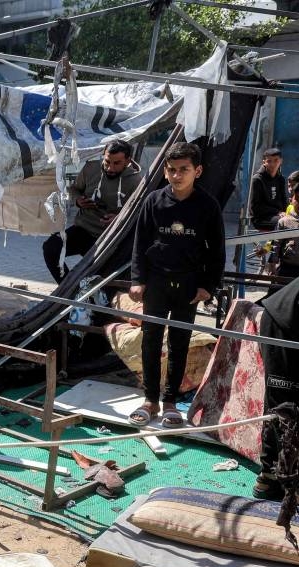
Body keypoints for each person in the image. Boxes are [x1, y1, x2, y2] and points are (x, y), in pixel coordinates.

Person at [128, 142, 225, 427]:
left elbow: (216, 251)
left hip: (189, 285)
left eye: (184, 170)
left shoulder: (208, 206)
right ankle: (150, 400)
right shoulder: (153, 201)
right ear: (165, 172)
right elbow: (139, 244)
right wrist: (138, 280)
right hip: (156, 282)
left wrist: (208, 286)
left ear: (198, 171)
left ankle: (170, 401)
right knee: (150, 340)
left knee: (179, 341)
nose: (177, 175)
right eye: (171, 170)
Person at [252, 265, 299, 504]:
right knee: (287, 409)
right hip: (284, 326)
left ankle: (270, 478)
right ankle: (297, 490)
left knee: (283, 405)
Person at [42, 139, 142, 283]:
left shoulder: (135, 180)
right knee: (51, 247)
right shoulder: (91, 169)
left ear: (127, 161)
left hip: (109, 238)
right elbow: (74, 189)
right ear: (103, 155)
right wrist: (78, 200)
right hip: (83, 229)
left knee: (102, 277)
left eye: (117, 163)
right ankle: (68, 289)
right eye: (107, 162)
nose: (110, 168)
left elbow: (139, 212)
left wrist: (120, 218)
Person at [250, 147, 287, 231]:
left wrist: (286, 212)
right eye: (269, 161)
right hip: (261, 218)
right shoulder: (257, 179)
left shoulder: (280, 179)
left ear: (281, 161)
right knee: (286, 223)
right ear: (264, 162)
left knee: (297, 221)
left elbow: (283, 199)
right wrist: (277, 212)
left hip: (279, 215)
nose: (273, 164)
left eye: (276, 160)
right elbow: (256, 207)